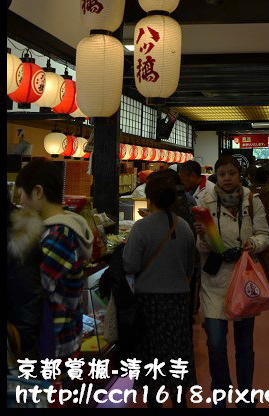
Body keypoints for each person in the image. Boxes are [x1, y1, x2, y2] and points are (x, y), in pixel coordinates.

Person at [196, 155, 269, 409]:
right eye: (222, 174)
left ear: (240, 176)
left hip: (243, 278)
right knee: (215, 343)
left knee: (244, 343)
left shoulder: (252, 201)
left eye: (232, 174)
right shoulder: (203, 201)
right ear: (216, 176)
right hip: (214, 280)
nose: (227, 179)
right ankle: (220, 389)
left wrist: (253, 244)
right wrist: (203, 239)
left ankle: (245, 394)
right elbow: (199, 247)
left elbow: (265, 236)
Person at [122, 171, 195, 408]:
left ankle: (155, 400)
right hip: (177, 302)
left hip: (149, 303)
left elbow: (130, 264)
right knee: (177, 352)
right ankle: (179, 400)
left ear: (149, 198)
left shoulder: (141, 228)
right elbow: (190, 266)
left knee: (153, 355)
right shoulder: (183, 226)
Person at [15, 158, 94, 358]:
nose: (20, 203)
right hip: (58, 339)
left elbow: (35, 286)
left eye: (21, 195)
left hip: (56, 344)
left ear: (38, 192)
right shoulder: (56, 229)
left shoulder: (60, 234)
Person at [7, 193, 43, 364]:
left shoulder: (19, 234)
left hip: (16, 349)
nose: (20, 199)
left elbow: (26, 299)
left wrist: (23, 352)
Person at [249, 167, 269, 287]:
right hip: (268, 234)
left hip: (250, 235)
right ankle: (268, 287)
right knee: (268, 260)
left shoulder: (248, 193)